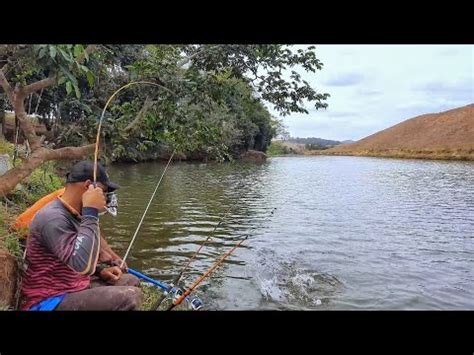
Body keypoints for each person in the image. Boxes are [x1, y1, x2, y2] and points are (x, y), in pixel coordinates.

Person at [20, 161, 142, 310]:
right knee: (130, 296)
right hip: (50, 299)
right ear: (88, 186)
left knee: (131, 280)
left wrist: (100, 271)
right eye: (102, 191)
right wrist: (91, 211)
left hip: (74, 285)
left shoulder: (74, 213)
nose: (103, 197)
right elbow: (81, 265)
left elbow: (73, 257)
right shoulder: (53, 218)